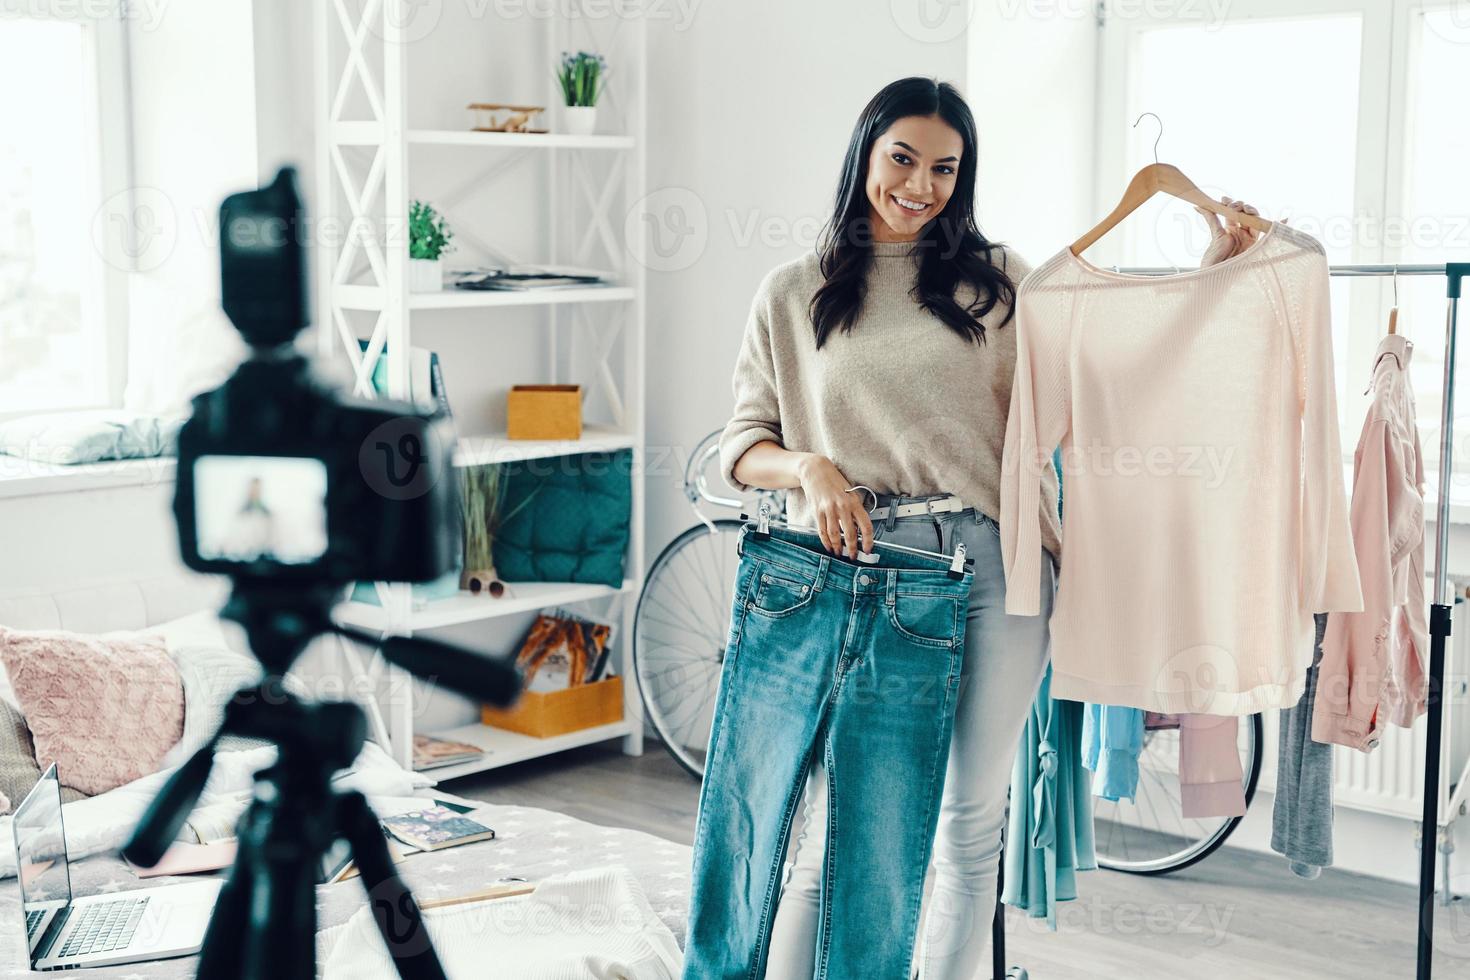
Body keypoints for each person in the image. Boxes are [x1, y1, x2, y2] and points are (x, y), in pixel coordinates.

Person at [715, 75, 1260, 977]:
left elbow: (1112, 373)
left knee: (971, 825)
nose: (918, 186)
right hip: (861, 570)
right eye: (901, 158)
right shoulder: (792, 292)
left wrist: (1216, 274)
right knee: (843, 824)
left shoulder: (997, 281)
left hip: (996, 568)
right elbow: (742, 442)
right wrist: (808, 469)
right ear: (864, 154)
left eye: (943, 168)